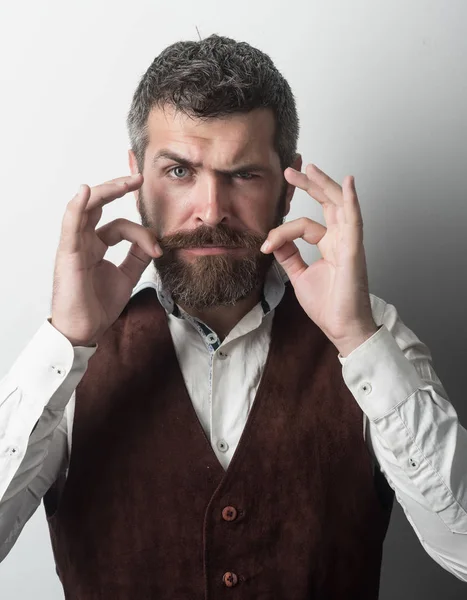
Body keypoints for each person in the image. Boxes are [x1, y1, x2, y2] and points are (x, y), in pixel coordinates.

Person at [0, 34, 466, 599]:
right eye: (179, 172)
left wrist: (357, 339)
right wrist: (66, 339)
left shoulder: (374, 335)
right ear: (136, 176)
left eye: (243, 174)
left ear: (287, 185)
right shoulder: (65, 365)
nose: (211, 210)